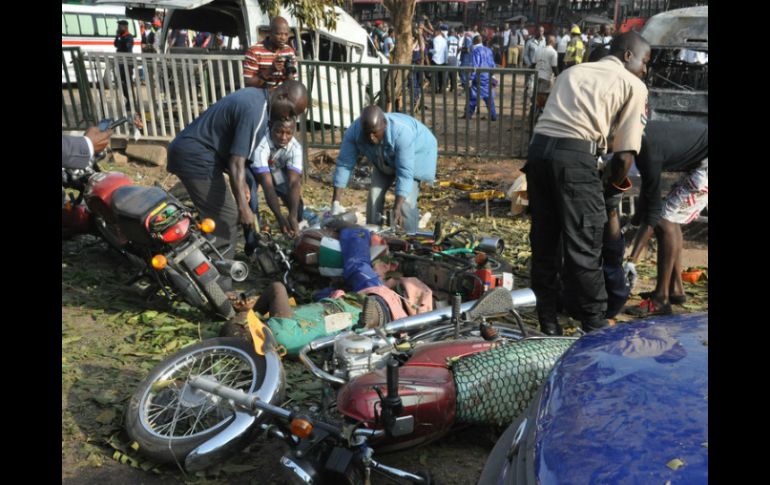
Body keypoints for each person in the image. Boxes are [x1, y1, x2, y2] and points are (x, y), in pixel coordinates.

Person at [524, 31, 650, 335]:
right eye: (646, 61)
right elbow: (623, 159)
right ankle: (596, 328)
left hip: (538, 155)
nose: (646, 69)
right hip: (575, 159)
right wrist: (606, 194)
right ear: (628, 55)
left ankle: (548, 326)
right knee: (585, 248)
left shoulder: (572, 71)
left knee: (545, 245)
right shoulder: (633, 84)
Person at [166, 81, 308, 258]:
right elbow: (236, 162)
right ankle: (218, 281)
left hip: (199, 154)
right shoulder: (256, 111)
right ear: (282, 96)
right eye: (291, 112)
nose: (288, 118)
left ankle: (202, 262)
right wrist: (244, 208)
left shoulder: (258, 102)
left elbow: (228, 147)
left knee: (220, 216)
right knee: (226, 218)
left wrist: (243, 186)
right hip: (195, 156)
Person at [624, 121, 708, 316]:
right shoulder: (639, 134)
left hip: (704, 167)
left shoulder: (648, 152)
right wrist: (634, 221)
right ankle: (675, 290)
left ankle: (660, 300)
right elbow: (648, 189)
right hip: (701, 161)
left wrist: (631, 260)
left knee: (663, 221)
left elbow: (653, 212)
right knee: (670, 218)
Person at [331, 106, 437, 233]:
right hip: (384, 156)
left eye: (375, 133)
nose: (371, 138)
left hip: (418, 152)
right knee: (374, 195)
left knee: (405, 204)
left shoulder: (402, 133)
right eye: (367, 134)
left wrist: (397, 207)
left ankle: (409, 238)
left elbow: (404, 173)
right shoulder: (354, 132)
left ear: (385, 125)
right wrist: (335, 202)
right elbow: (344, 164)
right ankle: (373, 234)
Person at [244, 116, 305, 250]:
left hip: (273, 168)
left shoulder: (295, 148)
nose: (283, 137)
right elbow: (267, 184)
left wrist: (292, 216)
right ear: (271, 127)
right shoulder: (262, 144)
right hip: (250, 168)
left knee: (294, 201)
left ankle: (296, 236)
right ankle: (252, 247)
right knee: (251, 203)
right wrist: (279, 217)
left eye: (288, 133)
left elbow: (294, 182)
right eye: (279, 132)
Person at [243, 16, 297, 89]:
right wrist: (270, 70)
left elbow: (293, 82)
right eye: (279, 34)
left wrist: (288, 72)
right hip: (262, 96)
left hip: (283, 96)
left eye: (286, 34)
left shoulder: (289, 51)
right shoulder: (254, 51)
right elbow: (248, 83)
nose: (283, 38)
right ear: (269, 33)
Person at [461, 35, 497, 121]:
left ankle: (468, 115)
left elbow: (475, 66)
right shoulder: (488, 50)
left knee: (473, 98)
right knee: (489, 99)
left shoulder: (475, 51)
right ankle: (493, 116)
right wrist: (492, 75)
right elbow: (493, 65)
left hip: (479, 77)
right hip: (487, 77)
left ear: (474, 42)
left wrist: (470, 78)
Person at [114, 20, 135, 112]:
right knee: (121, 83)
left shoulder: (129, 37)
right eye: (118, 26)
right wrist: (117, 37)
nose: (118, 27)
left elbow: (127, 47)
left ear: (125, 27)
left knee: (128, 83)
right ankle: (128, 100)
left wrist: (120, 38)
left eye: (120, 26)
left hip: (127, 63)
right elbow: (115, 45)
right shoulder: (120, 36)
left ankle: (131, 102)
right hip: (120, 63)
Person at [534, 35, 558, 102]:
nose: (555, 42)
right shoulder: (553, 52)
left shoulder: (538, 50)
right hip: (546, 78)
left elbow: (534, 63)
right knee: (544, 99)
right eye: (554, 41)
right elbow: (554, 67)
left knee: (536, 96)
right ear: (551, 42)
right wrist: (558, 76)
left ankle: (535, 110)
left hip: (536, 76)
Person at [430, 27, 448, 93]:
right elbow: (446, 51)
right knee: (441, 76)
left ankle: (435, 89)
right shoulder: (444, 40)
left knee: (434, 76)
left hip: (435, 59)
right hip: (443, 60)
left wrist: (430, 51)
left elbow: (436, 50)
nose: (433, 33)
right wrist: (446, 60)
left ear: (438, 32)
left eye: (434, 32)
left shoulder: (435, 39)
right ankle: (441, 89)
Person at [446, 27, 460, 93]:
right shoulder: (457, 39)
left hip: (448, 57)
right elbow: (459, 49)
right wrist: (456, 55)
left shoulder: (447, 39)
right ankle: (453, 87)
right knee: (453, 74)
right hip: (454, 57)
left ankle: (447, 86)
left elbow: (446, 48)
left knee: (447, 73)